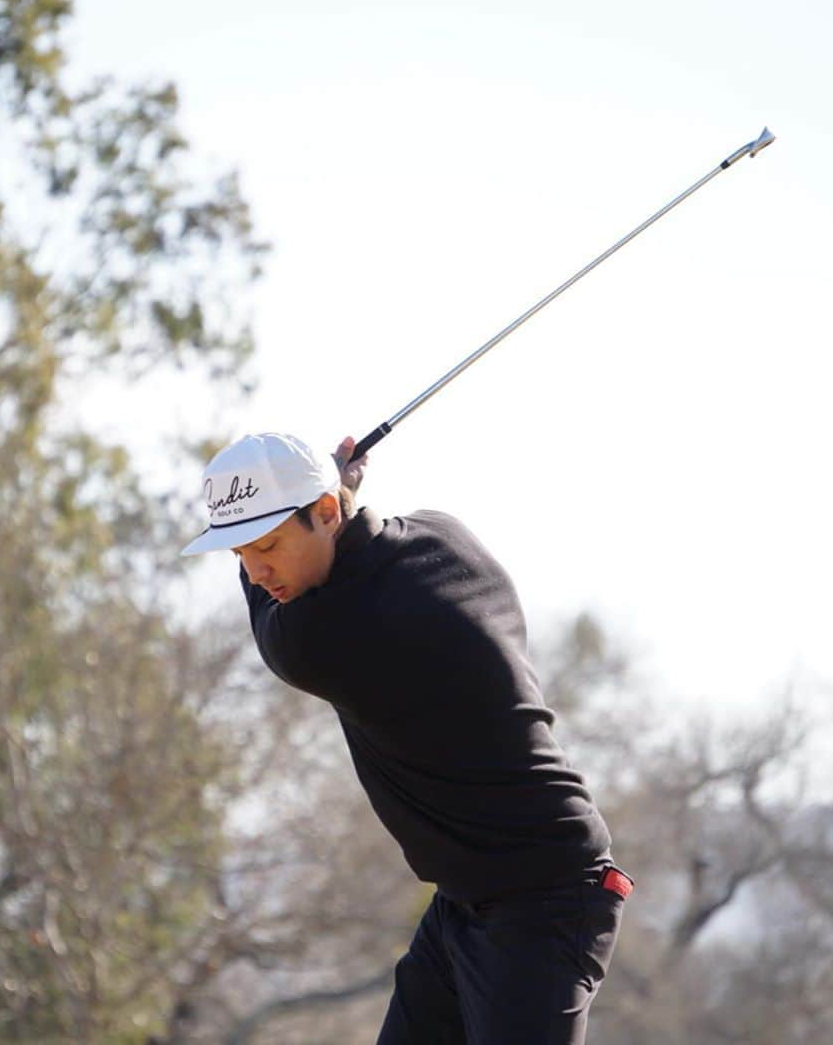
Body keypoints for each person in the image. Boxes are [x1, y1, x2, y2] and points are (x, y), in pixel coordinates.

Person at [182, 431, 631, 1044]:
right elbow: (350, 554)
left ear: (327, 513)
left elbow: (271, 626)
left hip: (545, 898)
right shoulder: (444, 537)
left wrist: (333, 486)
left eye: (265, 546)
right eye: (238, 556)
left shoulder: (320, 638)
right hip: (467, 899)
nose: (257, 574)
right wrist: (325, 501)